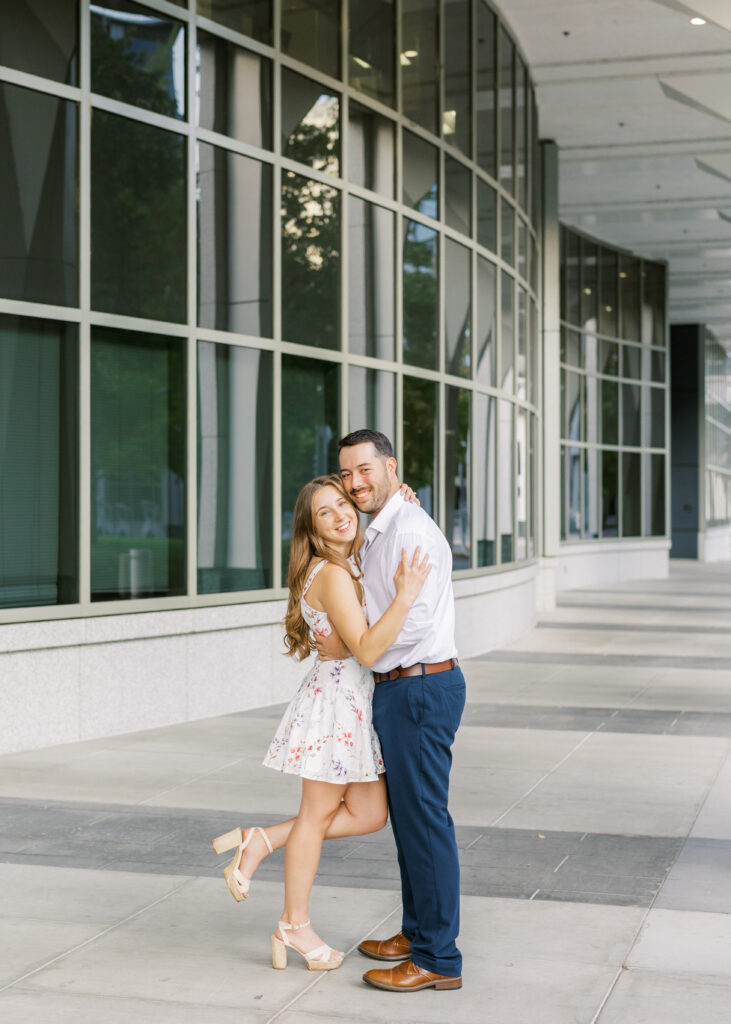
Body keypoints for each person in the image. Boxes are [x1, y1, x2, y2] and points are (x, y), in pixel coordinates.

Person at [211, 474, 430, 973]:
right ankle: (294, 925)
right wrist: (407, 594)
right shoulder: (330, 574)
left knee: (371, 813)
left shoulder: (346, 563)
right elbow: (369, 648)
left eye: (342, 503)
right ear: (311, 530)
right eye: (324, 513)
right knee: (315, 815)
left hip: (351, 699)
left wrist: (400, 499)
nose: (340, 515)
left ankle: (261, 840)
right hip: (336, 703)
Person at [319, 428, 466, 992]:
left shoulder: (408, 531)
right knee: (409, 819)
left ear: (390, 467)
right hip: (401, 687)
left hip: (420, 688)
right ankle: (418, 929)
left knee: (426, 822)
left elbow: (420, 622)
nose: (356, 483)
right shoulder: (383, 524)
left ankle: (437, 958)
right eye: (347, 473)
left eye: (365, 470)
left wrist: (364, 647)